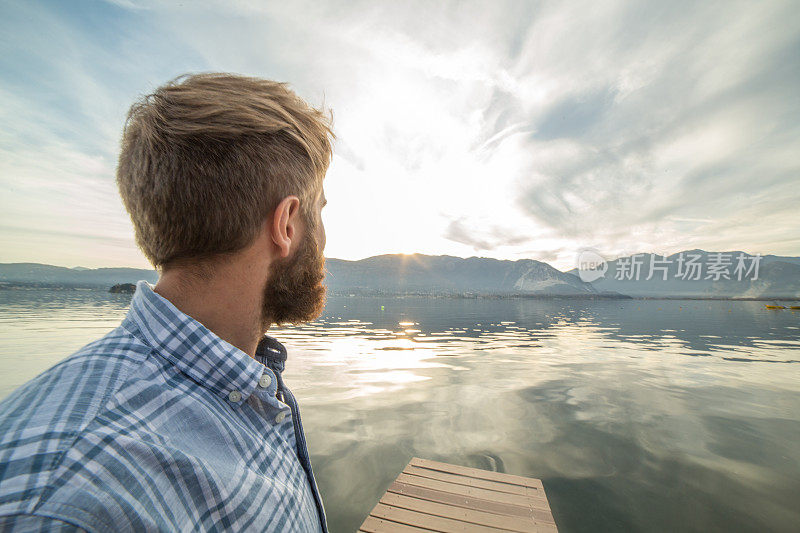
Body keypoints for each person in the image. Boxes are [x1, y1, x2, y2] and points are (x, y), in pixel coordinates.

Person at [0, 73, 334, 532]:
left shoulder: (242, 382)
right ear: (287, 223)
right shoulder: (63, 501)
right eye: (319, 211)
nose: (324, 239)